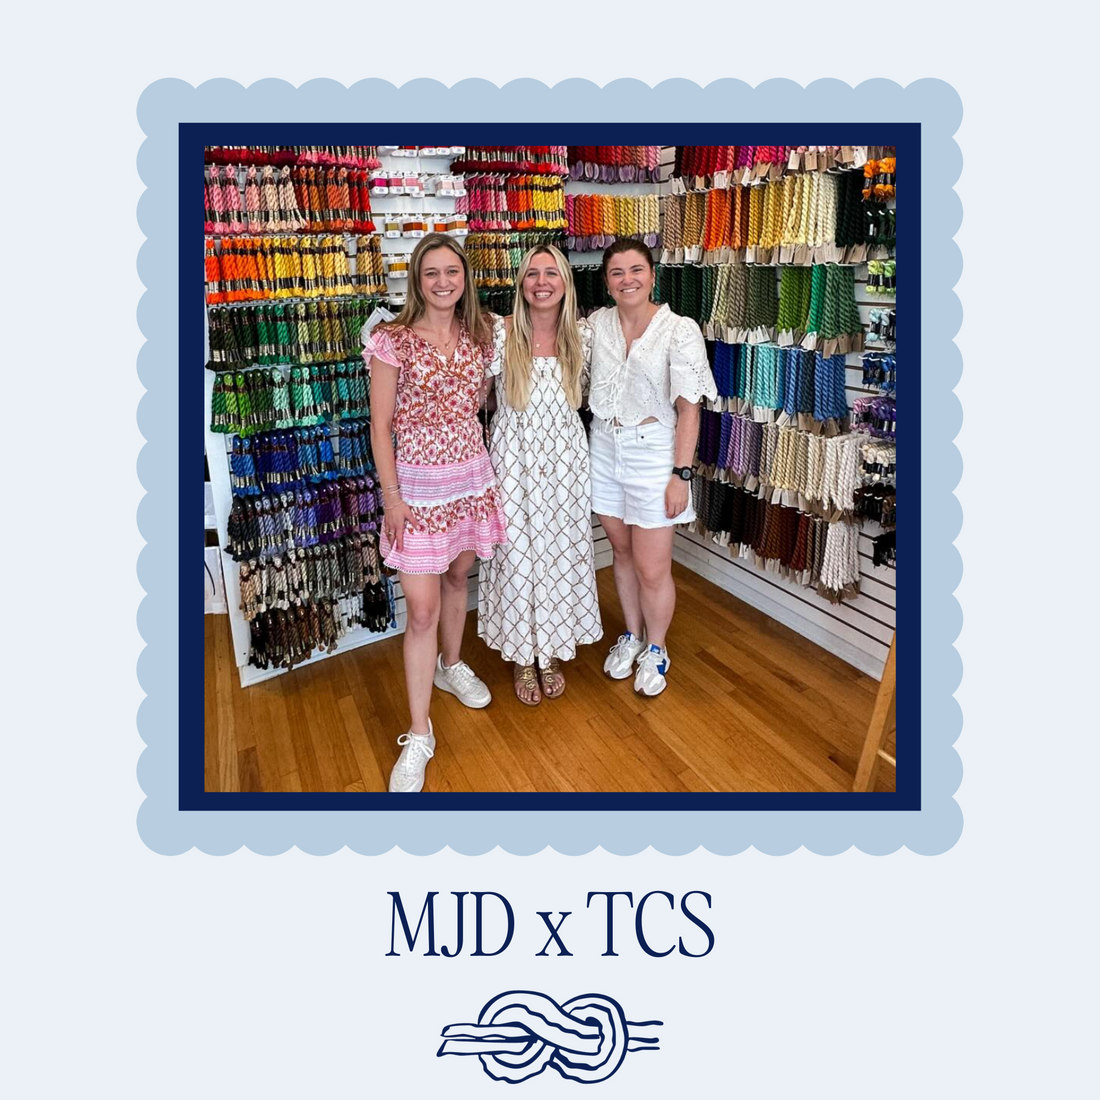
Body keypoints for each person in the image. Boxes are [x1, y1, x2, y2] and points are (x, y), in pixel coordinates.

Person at [364, 232, 508, 793]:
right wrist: (392, 498)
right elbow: (380, 428)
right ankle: (419, 733)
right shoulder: (392, 341)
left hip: (470, 480)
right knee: (420, 611)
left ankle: (452, 665)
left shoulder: (483, 335)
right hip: (417, 492)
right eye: (432, 273)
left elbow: (482, 402)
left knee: (456, 579)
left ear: (465, 277)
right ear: (417, 281)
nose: (443, 282)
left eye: (452, 271)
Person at [587, 238, 717, 696]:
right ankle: (632, 634)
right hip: (603, 447)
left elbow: (689, 410)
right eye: (617, 272)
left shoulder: (679, 330)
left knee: (652, 567)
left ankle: (657, 648)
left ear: (652, 275)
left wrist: (681, 474)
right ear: (607, 282)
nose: (628, 280)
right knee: (621, 554)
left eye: (636, 270)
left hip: (653, 454)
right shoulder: (596, 325)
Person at [478, 245, 603, 705]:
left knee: (558, 551)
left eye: (551, 273)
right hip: (513, 459)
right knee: (517, 556)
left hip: (566, 461)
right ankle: (522, 655)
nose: (542, 282)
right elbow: (479, 396)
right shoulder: (501, 331)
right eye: (533, 273)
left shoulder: (582, 336)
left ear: (565, 282)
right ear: (521, 283)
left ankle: (548, 651)